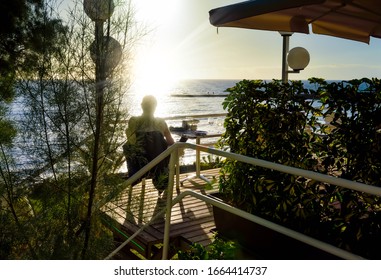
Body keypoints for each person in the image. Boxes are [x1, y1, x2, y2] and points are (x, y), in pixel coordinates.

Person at [123, 95, 174, 193]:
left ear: (142, 106)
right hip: (158, 167)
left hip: (138, 167)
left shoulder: (134, 121)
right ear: (155, 106)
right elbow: (171, 143)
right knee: (169, 151)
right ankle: (163, 183)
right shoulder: (161, 122)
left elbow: (131, 143)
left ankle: (134, 179)